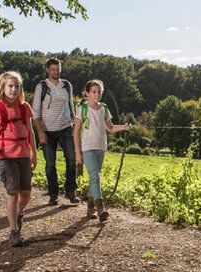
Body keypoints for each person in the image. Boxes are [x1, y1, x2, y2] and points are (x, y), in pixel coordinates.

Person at [0, 71, 37, 247]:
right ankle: (14, 232)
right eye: (10, 86)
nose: (13, 89)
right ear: (3, 87)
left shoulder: (25, 107)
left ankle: (18, 214)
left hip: (23, 154)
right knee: (13, 192)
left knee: (26, 192)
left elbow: (30, 131)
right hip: (5, 156)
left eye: (16, 86)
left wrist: (34, 153)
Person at [73, 80, 131, 222]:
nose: (97, 94)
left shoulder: (104, 108)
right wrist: (78, 153)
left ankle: (89, 209)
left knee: (95, 178)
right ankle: (100, 208)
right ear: (87, 93)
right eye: (93, 92)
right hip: (87, 148)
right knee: (95, 176)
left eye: (99, 91)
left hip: (101, 148)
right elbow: (76, 132)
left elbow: (110, 128)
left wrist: (124, 127)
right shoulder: (82, 109)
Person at [32, 57, 78, 205]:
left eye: (58, 69)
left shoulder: (66, 85)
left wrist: (75, 126)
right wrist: (40, 132)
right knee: (50, 163)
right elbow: (35, 112)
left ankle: (71, 191)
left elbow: (71, 106)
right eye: (53, 69)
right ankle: (53, 194)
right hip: (47, 130)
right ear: (47, 70)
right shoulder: (42, 86)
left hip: (66, 127)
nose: (56, 71)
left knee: (71, 158)